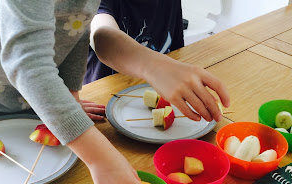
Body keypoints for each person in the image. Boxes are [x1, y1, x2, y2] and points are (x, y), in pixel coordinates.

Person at [0, 0, 229, 184]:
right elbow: (27, 65)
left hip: (42, 96)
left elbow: (76, 28)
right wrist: (99, 158)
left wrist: (69, 99)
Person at [85, 0, 230, 123]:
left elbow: (175, 51)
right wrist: (153, 67)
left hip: (154, 99)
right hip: (104, 100)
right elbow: (101, 37)